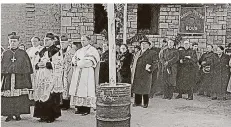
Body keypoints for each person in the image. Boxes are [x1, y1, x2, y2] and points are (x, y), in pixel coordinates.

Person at [1, 34, 33, 122]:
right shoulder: (5, 53)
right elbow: (2, 65)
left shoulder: (23, 53)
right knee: (8, 96)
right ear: (9, 42)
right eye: (11, 41)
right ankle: (9, 114)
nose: (13, 43)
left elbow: (27, 66)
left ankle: (18, 114)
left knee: (19, 96)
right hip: (8, 77)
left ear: (18, 42)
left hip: (20, 78)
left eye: (14, 41)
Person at [33, 33, 63, 123]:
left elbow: (59, 64)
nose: (45, 41)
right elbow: (36, 62)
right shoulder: (41, 51)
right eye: (45, 40)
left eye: (48, 40)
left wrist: (46, 64)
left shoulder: (56, 51)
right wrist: (38, 65)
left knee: (50, 94)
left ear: (53, 40)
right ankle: (42, 115)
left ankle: (50, 116)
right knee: (41, 93)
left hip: (50, 75)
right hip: (41, 75)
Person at [69, 35, 100, 115]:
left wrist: (79, 63)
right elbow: (74, 58)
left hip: (87, 73)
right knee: (78, 89)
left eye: (84, 40)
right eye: (81, 40)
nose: (82, 42)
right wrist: (75, 62)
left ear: (89, 41)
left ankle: (86, 109)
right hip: (78, 71)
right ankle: (79, 107)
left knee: (86, 90)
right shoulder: (79, 50)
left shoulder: (92, 50)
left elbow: (90, 62)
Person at [132, 40, 159, 108]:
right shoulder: (138, 53)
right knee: (137, 87)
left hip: (146, 73)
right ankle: (137, 102)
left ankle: (145, 103)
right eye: (141, 44)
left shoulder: (152, 53)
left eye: (145, 44)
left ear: (149, 45)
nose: (143, 45)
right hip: (137, 73)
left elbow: (155, 63)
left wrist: (150, 69)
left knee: (145, 88)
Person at [60, 35, 77, 110]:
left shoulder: (71, 50)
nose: (62, 44)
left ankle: (67, 104)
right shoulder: (59, 50)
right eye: (61, 43)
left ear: (67, 43)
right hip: (61, 71)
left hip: (69, 70)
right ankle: (62, 102)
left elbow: (73, 60)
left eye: (64, 43)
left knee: (68, 86)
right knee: (62, 86)